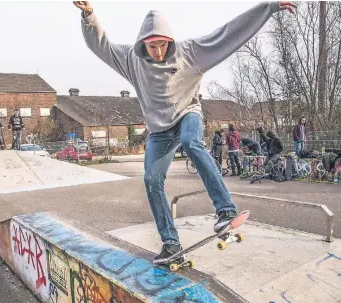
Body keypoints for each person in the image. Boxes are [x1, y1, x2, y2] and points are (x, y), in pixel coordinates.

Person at [73, 0, 297, 263]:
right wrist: (89, 15)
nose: (157, 51)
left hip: (187, 115)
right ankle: (170, 243)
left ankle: (225, 210)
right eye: (152, 46)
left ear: (170, 41)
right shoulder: (130, 59)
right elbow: (101, 46)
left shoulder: (190, 52)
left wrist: (268, 7)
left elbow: (229, 34)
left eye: (162, 45)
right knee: (151, 180)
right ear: (143, 43)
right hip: (158, 131)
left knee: (192, 142)